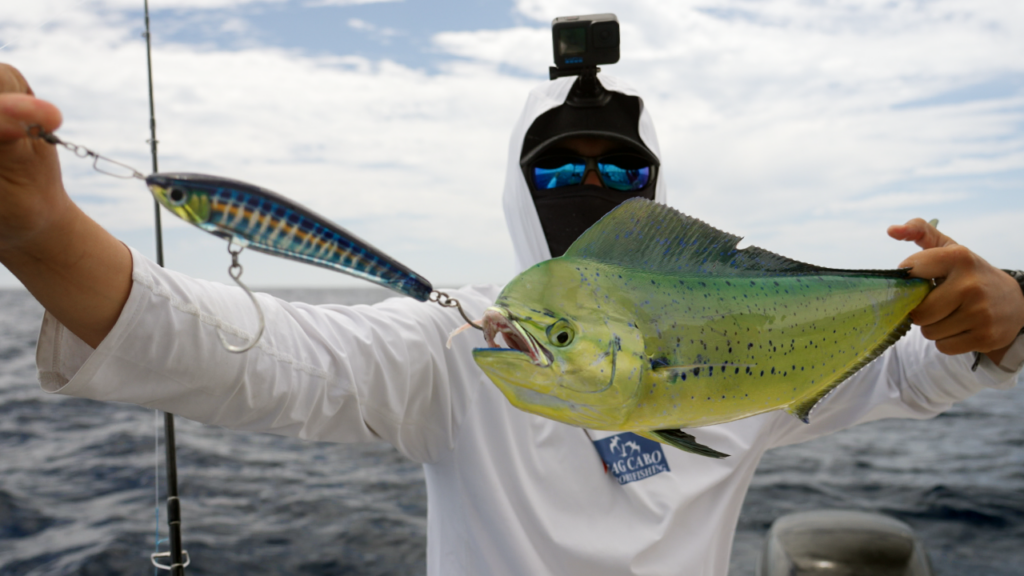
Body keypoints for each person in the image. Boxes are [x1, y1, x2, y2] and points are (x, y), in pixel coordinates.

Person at [2, 61, 1024, 576]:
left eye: (617, 168)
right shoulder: (462, 348)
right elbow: (264, 356)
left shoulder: (748, 344)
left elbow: (925, 367)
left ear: (655, 185)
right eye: (559, 163)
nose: (588, 180)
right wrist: (45, 233)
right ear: (515, 185)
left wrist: (1004, 306)